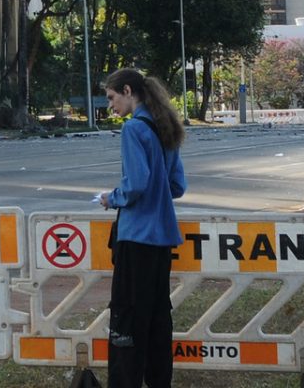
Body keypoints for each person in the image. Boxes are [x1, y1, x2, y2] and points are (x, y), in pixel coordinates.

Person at [94, 68, 187, 388]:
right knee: (158, 319)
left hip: (136, 237)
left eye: (111, 97)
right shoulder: (165, 128)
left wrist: (111, 198)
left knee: (127, 321)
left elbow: (135, 185)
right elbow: (176, 186)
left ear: (128, 90)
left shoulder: (134, 129)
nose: (110, 106)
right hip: (162, 239)